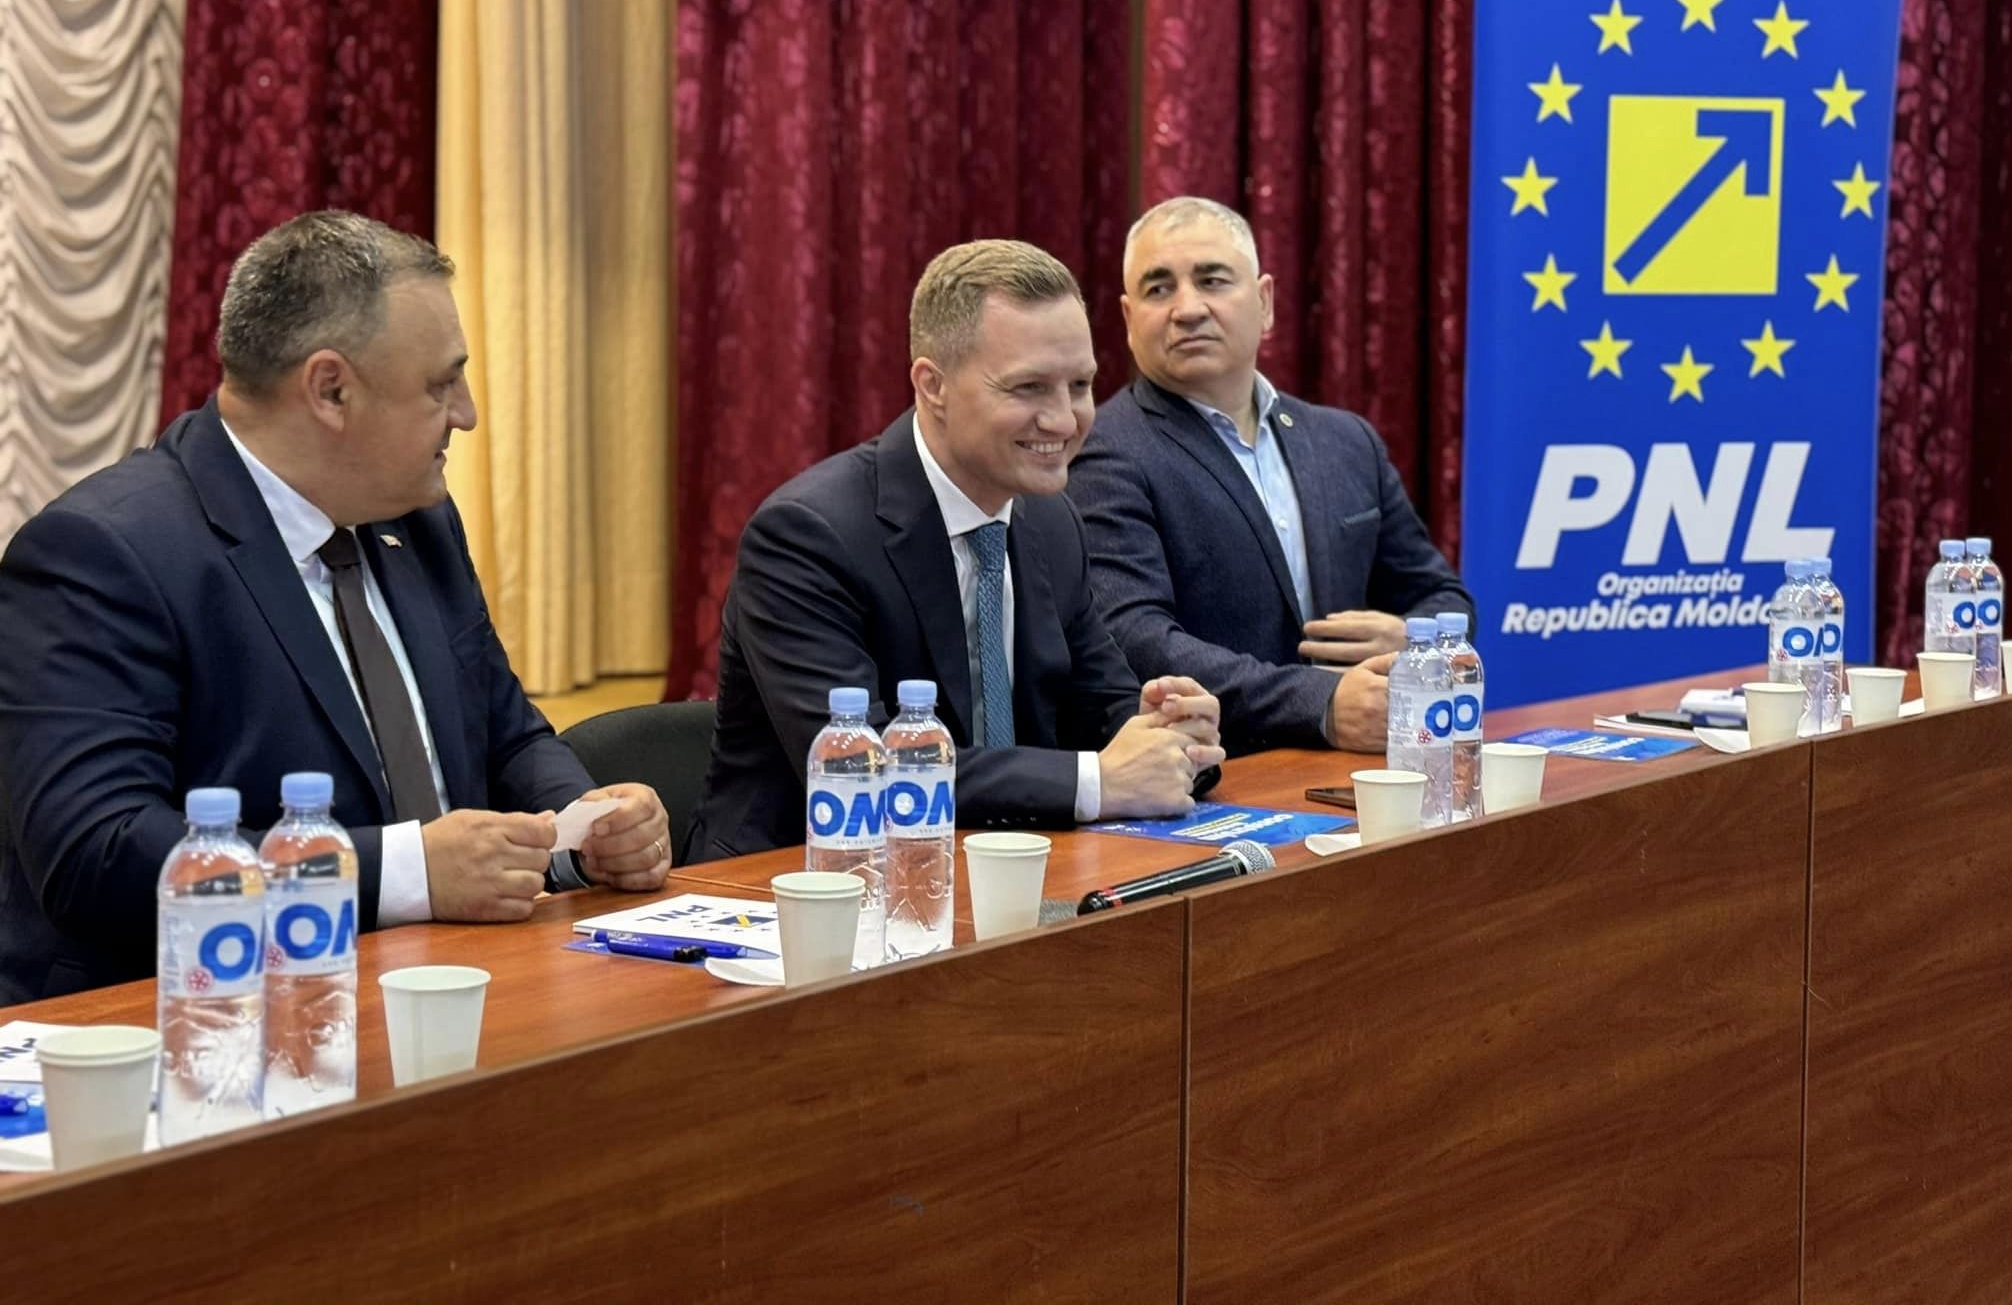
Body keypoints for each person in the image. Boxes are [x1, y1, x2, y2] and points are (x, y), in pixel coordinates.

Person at [0, 212, 668, 1005]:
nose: (466, 413)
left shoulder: (413, 518)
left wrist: (583, 822)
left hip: (447, 991)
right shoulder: (105, 552)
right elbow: (95, 853)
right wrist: (403, 873)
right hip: (199, 1017)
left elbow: (503, 730)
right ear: (331, 390)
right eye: (440, 383)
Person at [692, 238, 1226, 860]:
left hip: (1003, 867)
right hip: (800, 883)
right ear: (933, 385)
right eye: (1029, 388)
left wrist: (1168, 734)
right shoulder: (807, 535)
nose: (1064, 420)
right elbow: (864, 769)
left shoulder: (1051, 520)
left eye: (1079, 385)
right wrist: (1097, 781)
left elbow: (1097, 703)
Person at [1067, 197, 1474, 756]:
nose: (1187, 308)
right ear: (1128, 319)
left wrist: (1414, 639)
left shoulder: (1346, 441)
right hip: (1215, 777)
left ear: (1265, 303)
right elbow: (1136, 640)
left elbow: (1443, 596)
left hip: (1371, 767)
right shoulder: (1103, 450)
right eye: (1159, 289)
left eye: (1212, 280)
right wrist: (1321, 703)